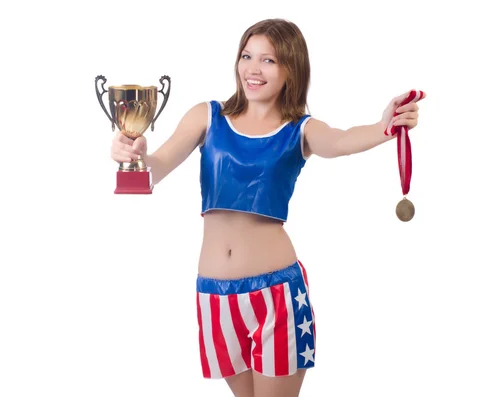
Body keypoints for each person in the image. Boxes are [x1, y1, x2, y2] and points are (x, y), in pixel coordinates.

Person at [110, 18, 422, 397]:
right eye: (247, 56)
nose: (252, 69)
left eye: (269, 60)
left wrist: (383, 126)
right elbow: (156, 168)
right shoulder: (207, 117)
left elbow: (340, 141)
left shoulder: (299, 129)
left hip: (276, 296)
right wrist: (134, 156)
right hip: (214, 295)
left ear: (292, 69)